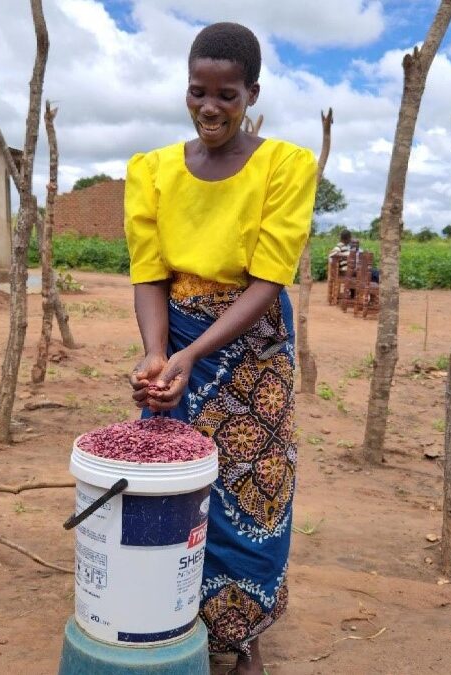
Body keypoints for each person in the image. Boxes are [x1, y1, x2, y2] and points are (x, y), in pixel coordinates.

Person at [124, 22, 316, 675]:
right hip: (174, 335)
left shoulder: (285, 166)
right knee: (172, 485)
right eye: (197, 92)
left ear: (250, 94)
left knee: (254, 485)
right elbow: (149, 272)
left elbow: (267, 278)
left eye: (226, 95)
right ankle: (172, 617)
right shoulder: (150, 171)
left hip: (252, 345)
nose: (210, 107)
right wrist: (158, 354)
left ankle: (243, 635)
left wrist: (192, 354)